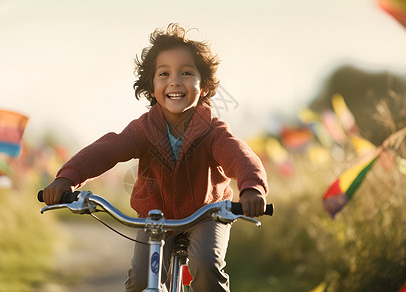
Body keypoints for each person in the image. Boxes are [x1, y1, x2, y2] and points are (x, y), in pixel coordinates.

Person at [41, 23, 269, 291]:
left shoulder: (212, 131)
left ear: (204, 86)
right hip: (155, 219)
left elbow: (238, 155)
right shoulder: (144, 129)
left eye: (186, 73)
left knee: (207, 267)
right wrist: (67, 178)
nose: (175, 81)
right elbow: (109, 149)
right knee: (140, 280)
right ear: (150, 87)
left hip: (208, 217)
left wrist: (252, 187)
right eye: (164, 74)